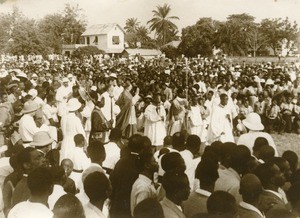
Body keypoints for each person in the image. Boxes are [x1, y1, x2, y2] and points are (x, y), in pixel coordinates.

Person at [110, 134, 144, 218]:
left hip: (118, 204)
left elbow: (113, 181)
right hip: (132, 205)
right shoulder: (142, 163)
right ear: (142, 149)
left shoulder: (120, 162)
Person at [130, 151, 159, 215]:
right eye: (154, 161)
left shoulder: (144, 183)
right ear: (147, 165)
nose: (157, 163)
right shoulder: (143, 187)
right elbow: (141, 213)